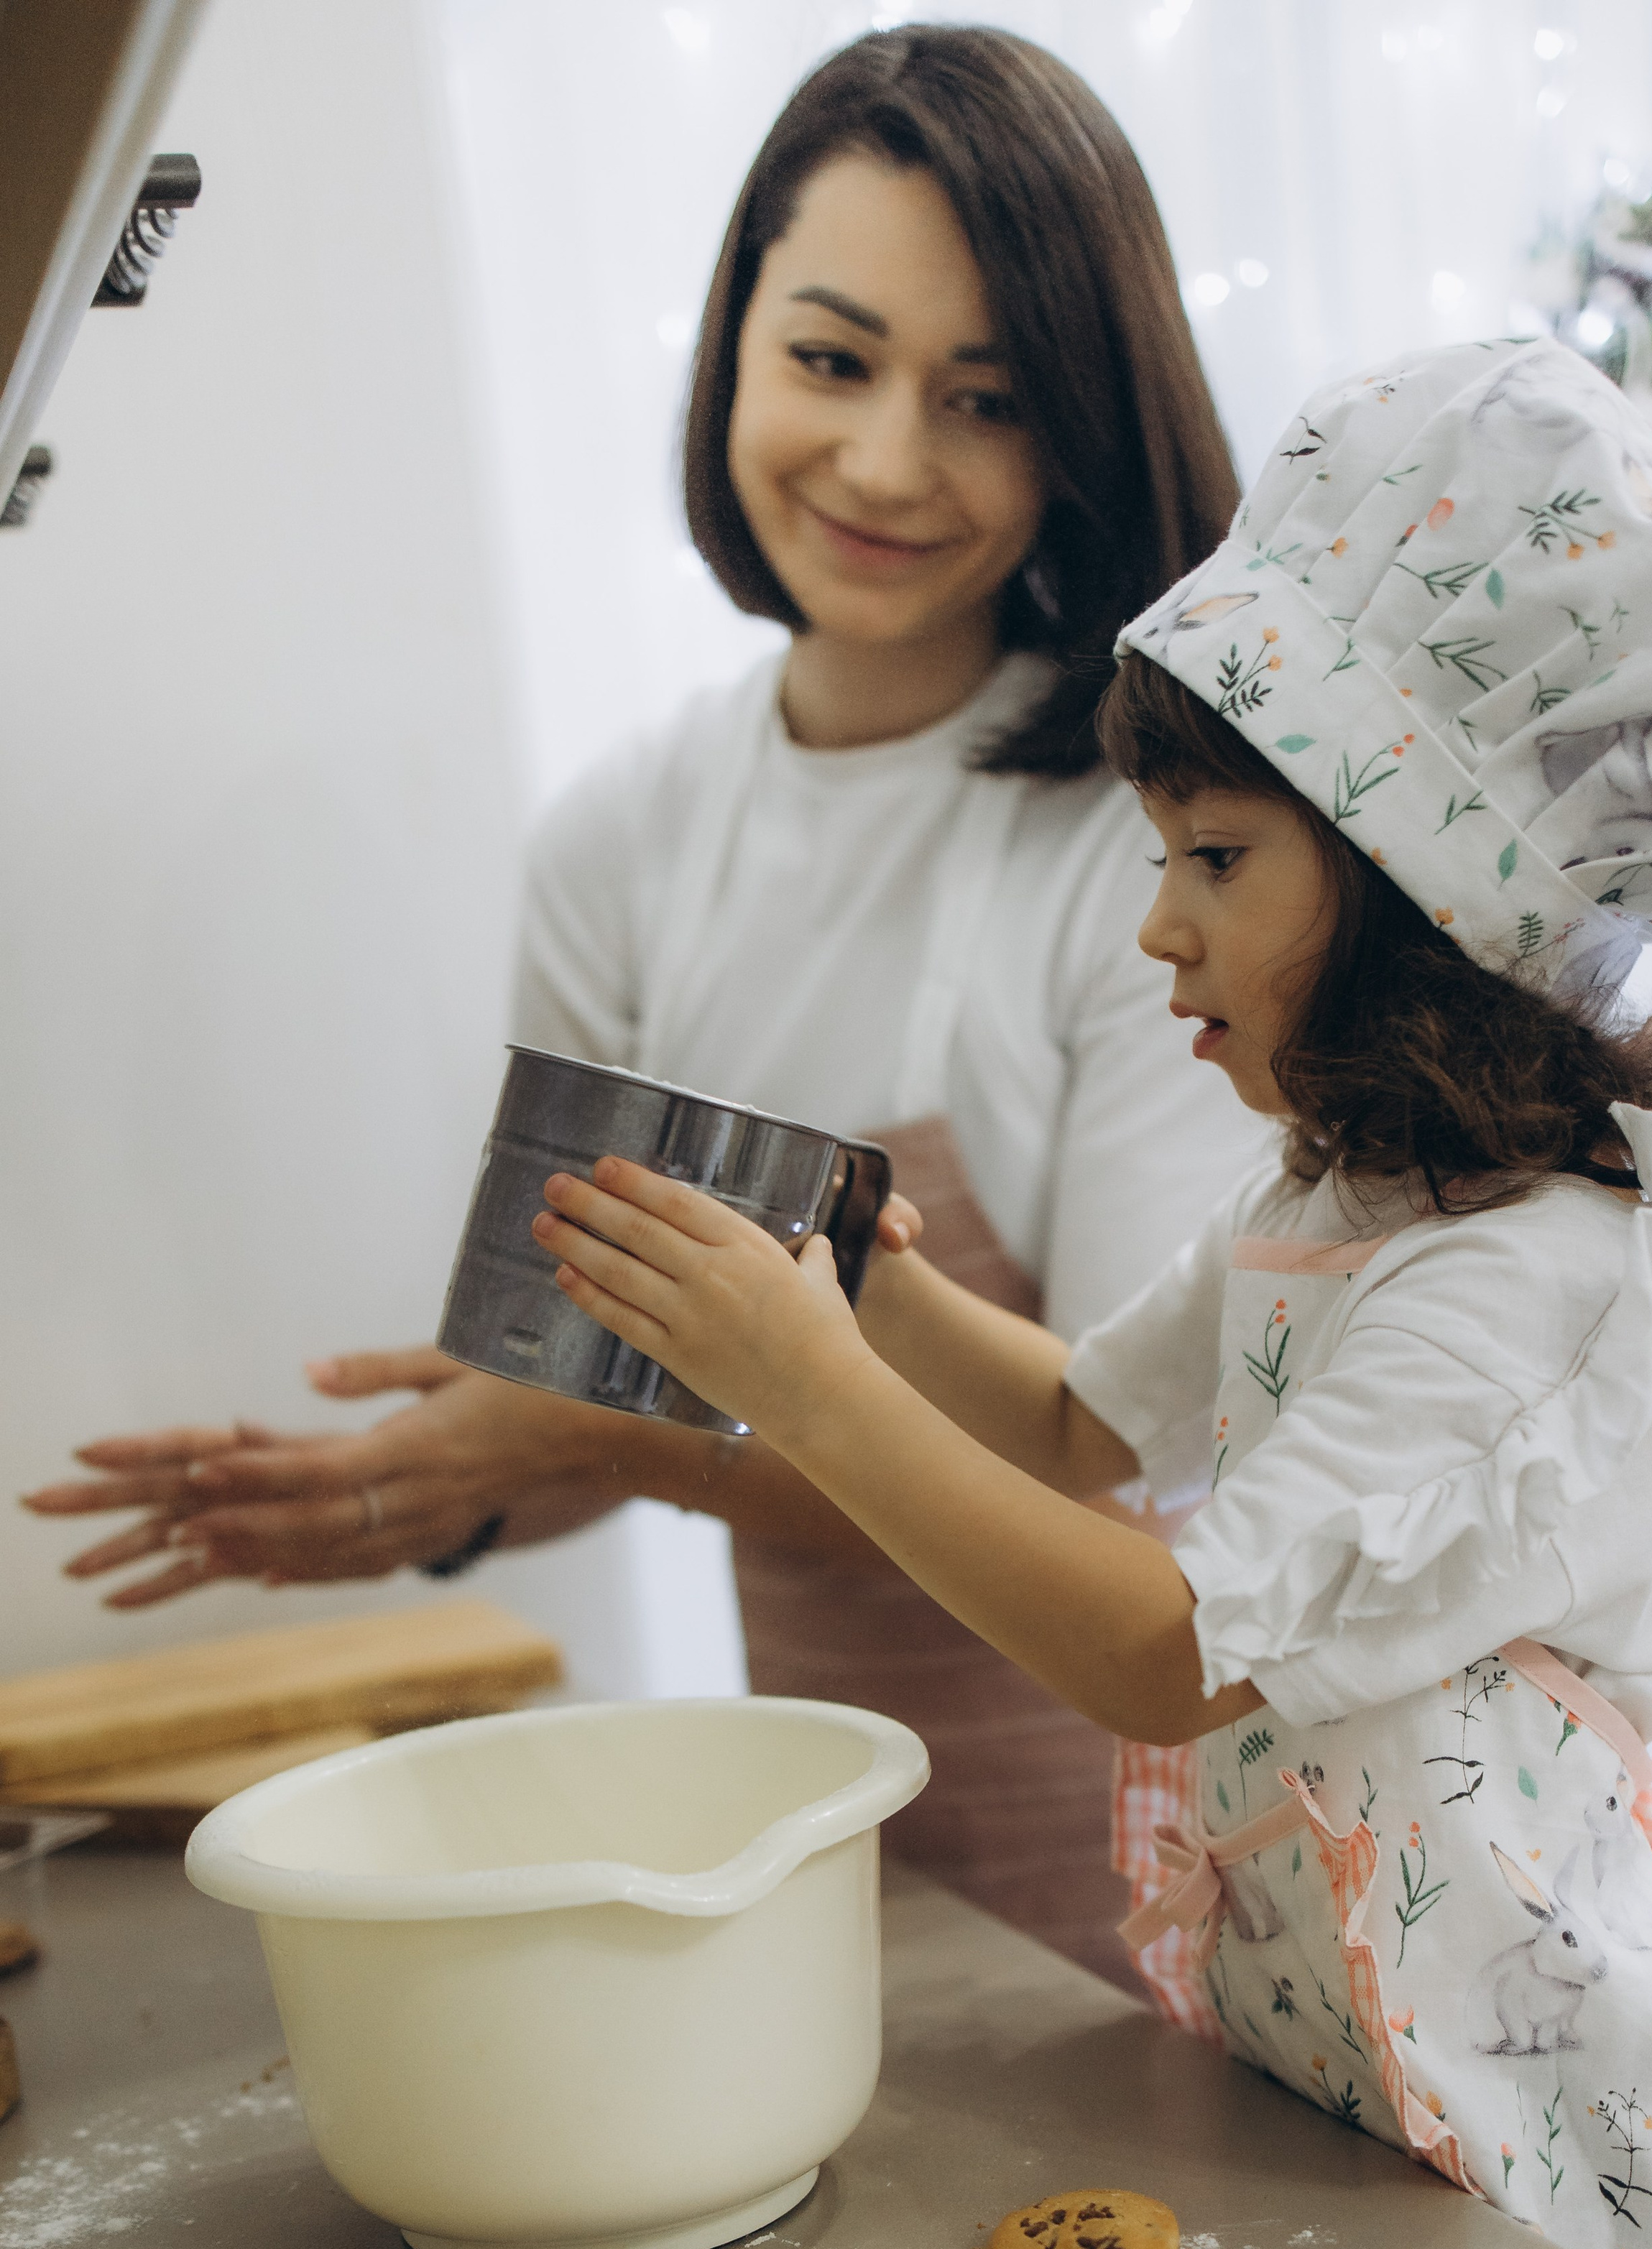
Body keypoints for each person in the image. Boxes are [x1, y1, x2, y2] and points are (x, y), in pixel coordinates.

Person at [521, 336, 1652, 2249]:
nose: (1159, 927)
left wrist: (807, 1383)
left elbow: (1160, 1642)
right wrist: (874, 1287)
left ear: (1430, 893)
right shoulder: (1340, 1187)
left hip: (1526, 2085)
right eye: (1161, 855)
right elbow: (1075, 1421)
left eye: (1215, 859)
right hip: (1341, 2027)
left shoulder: (1537, 1273)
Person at [21, 28, 1265, 1984]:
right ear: (734, 342)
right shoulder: (626, 835)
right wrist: (393, 1499)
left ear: (1086, 427)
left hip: (1153, 1854)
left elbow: (1113, 1502)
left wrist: (570, 1446)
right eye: (832, 359)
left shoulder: (1152, 862)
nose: (882, 462)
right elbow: (582, 1391)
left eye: (988, 399)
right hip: (821, 1856)